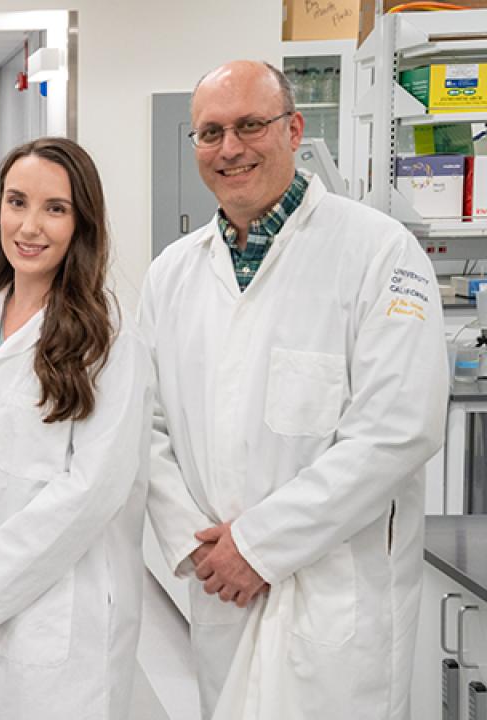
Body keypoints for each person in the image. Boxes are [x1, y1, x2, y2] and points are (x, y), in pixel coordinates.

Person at [139, 60, 447, 720]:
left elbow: (398, 429)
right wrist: (197, 546)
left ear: (293, 129)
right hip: (222, 589)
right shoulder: (171, 275)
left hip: (335, 599)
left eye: (251, 125)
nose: (230, 148)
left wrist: (260, 545)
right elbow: (146, 423)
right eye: (210, 132)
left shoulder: (379, 253)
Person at [0, 137, 151, 720]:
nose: (30, 226)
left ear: (82, 224)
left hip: (53, 616)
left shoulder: (108, 340)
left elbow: (92, 490)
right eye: (17, 202)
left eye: (55, 208)